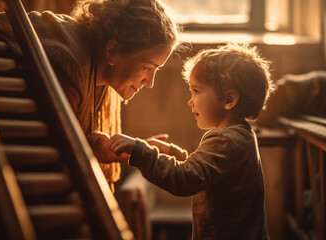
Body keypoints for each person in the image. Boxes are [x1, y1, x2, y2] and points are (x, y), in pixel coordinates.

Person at [0, 0, 181, 189]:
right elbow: (47, 159)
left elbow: (69, 140)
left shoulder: (99, 69)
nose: (150, 83)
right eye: (147, 68)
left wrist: (115, 151)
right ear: (113, 51)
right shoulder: (66, 69)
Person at [109, 43, 274, 239]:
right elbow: (205, 171)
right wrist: (172, 153)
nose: (190, 101)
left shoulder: (226, 140)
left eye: (196, 91)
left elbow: (185, 179)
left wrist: (141, 151)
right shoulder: (240, 136)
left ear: (229, 100)